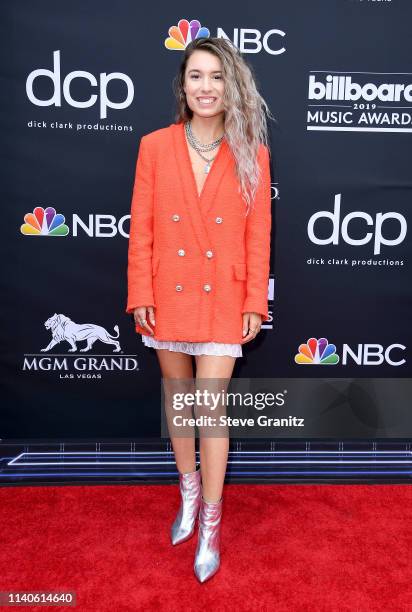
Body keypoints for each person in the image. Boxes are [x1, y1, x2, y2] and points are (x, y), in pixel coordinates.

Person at [125, 37, 274, 583]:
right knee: (180, 407)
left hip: (222, 298)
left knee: (210, 412)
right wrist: (140, 291)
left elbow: (259, 236)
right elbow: (140, 227)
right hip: (168, 294)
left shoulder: (252, 153)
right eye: (196, 76)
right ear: (182, 85)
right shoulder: (154, 146)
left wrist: (254, 299)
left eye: (215, 77)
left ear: (229, 86)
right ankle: (187, 492)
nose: (205, 87)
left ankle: (211, 521)